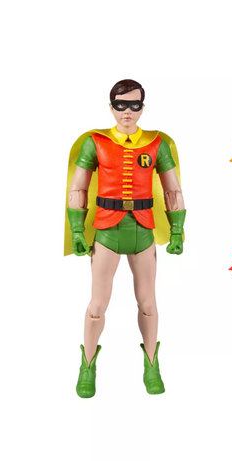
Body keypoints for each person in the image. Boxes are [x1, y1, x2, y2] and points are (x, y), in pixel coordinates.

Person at [65, 79, 186, 397]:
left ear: (142, 108)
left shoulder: (157, 144)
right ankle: (87, 366)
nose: (127, 111)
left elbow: (173, 190)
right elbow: (78, 187)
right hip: (106, 231)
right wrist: (77, 229)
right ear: (111, 107)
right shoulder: (95, 143)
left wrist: (177, 230)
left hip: (143, 231)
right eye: (121, 104)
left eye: (134, 104)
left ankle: (152, 365)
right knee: (97, 305)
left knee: (148, 302)